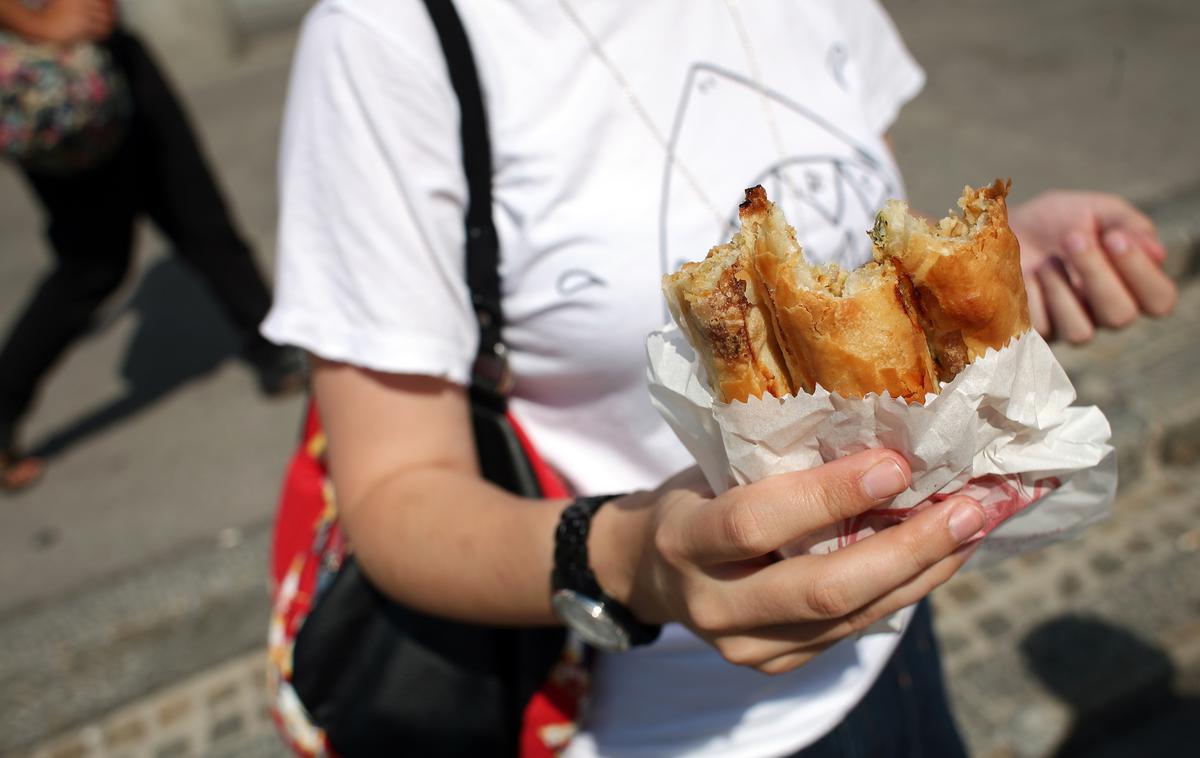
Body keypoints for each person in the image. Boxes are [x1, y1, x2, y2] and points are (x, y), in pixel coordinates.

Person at [262, 0, 1178, 755]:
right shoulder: (388, 37)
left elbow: (862, 231)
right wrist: (633, 559)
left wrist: (979, 300)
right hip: (655, 724)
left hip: (897, 648)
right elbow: (391, 499)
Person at [0, 0, 308, 491]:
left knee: (200, 217)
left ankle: (274, 346)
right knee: (92, 265)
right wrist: (39, 23)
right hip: (52, 87)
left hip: (114, 56)